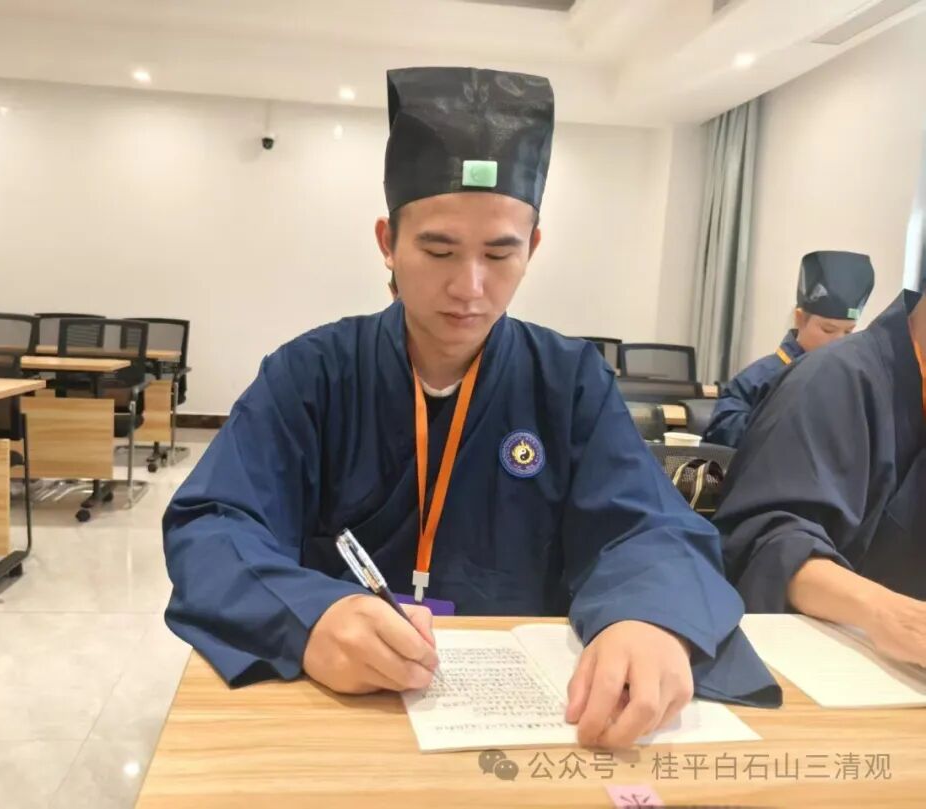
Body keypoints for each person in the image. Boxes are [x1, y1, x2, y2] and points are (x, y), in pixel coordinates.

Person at [163, 66, 778, 750]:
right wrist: (307, 615)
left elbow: (648, 528)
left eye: (500, 253)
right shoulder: (311, 374)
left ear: (532, 248)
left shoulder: (569, 382)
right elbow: (215, 522)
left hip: (531, 719)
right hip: (341, 708)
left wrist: (651, 616)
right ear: (387, 242)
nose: (470, 287)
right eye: (438, 250)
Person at [717, 233, 926, 667]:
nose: (835, 338)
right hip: (837, 658)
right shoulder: (833, 379)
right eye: (827, 329)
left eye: (844, 329)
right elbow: (768, 542)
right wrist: (884, 612)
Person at [703, 251, 874, 447]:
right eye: (828, 329)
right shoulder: (759, 378)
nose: (839, 341)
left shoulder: (851, 382)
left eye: (848, 332)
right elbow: (721, 429)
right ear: (800, 319)